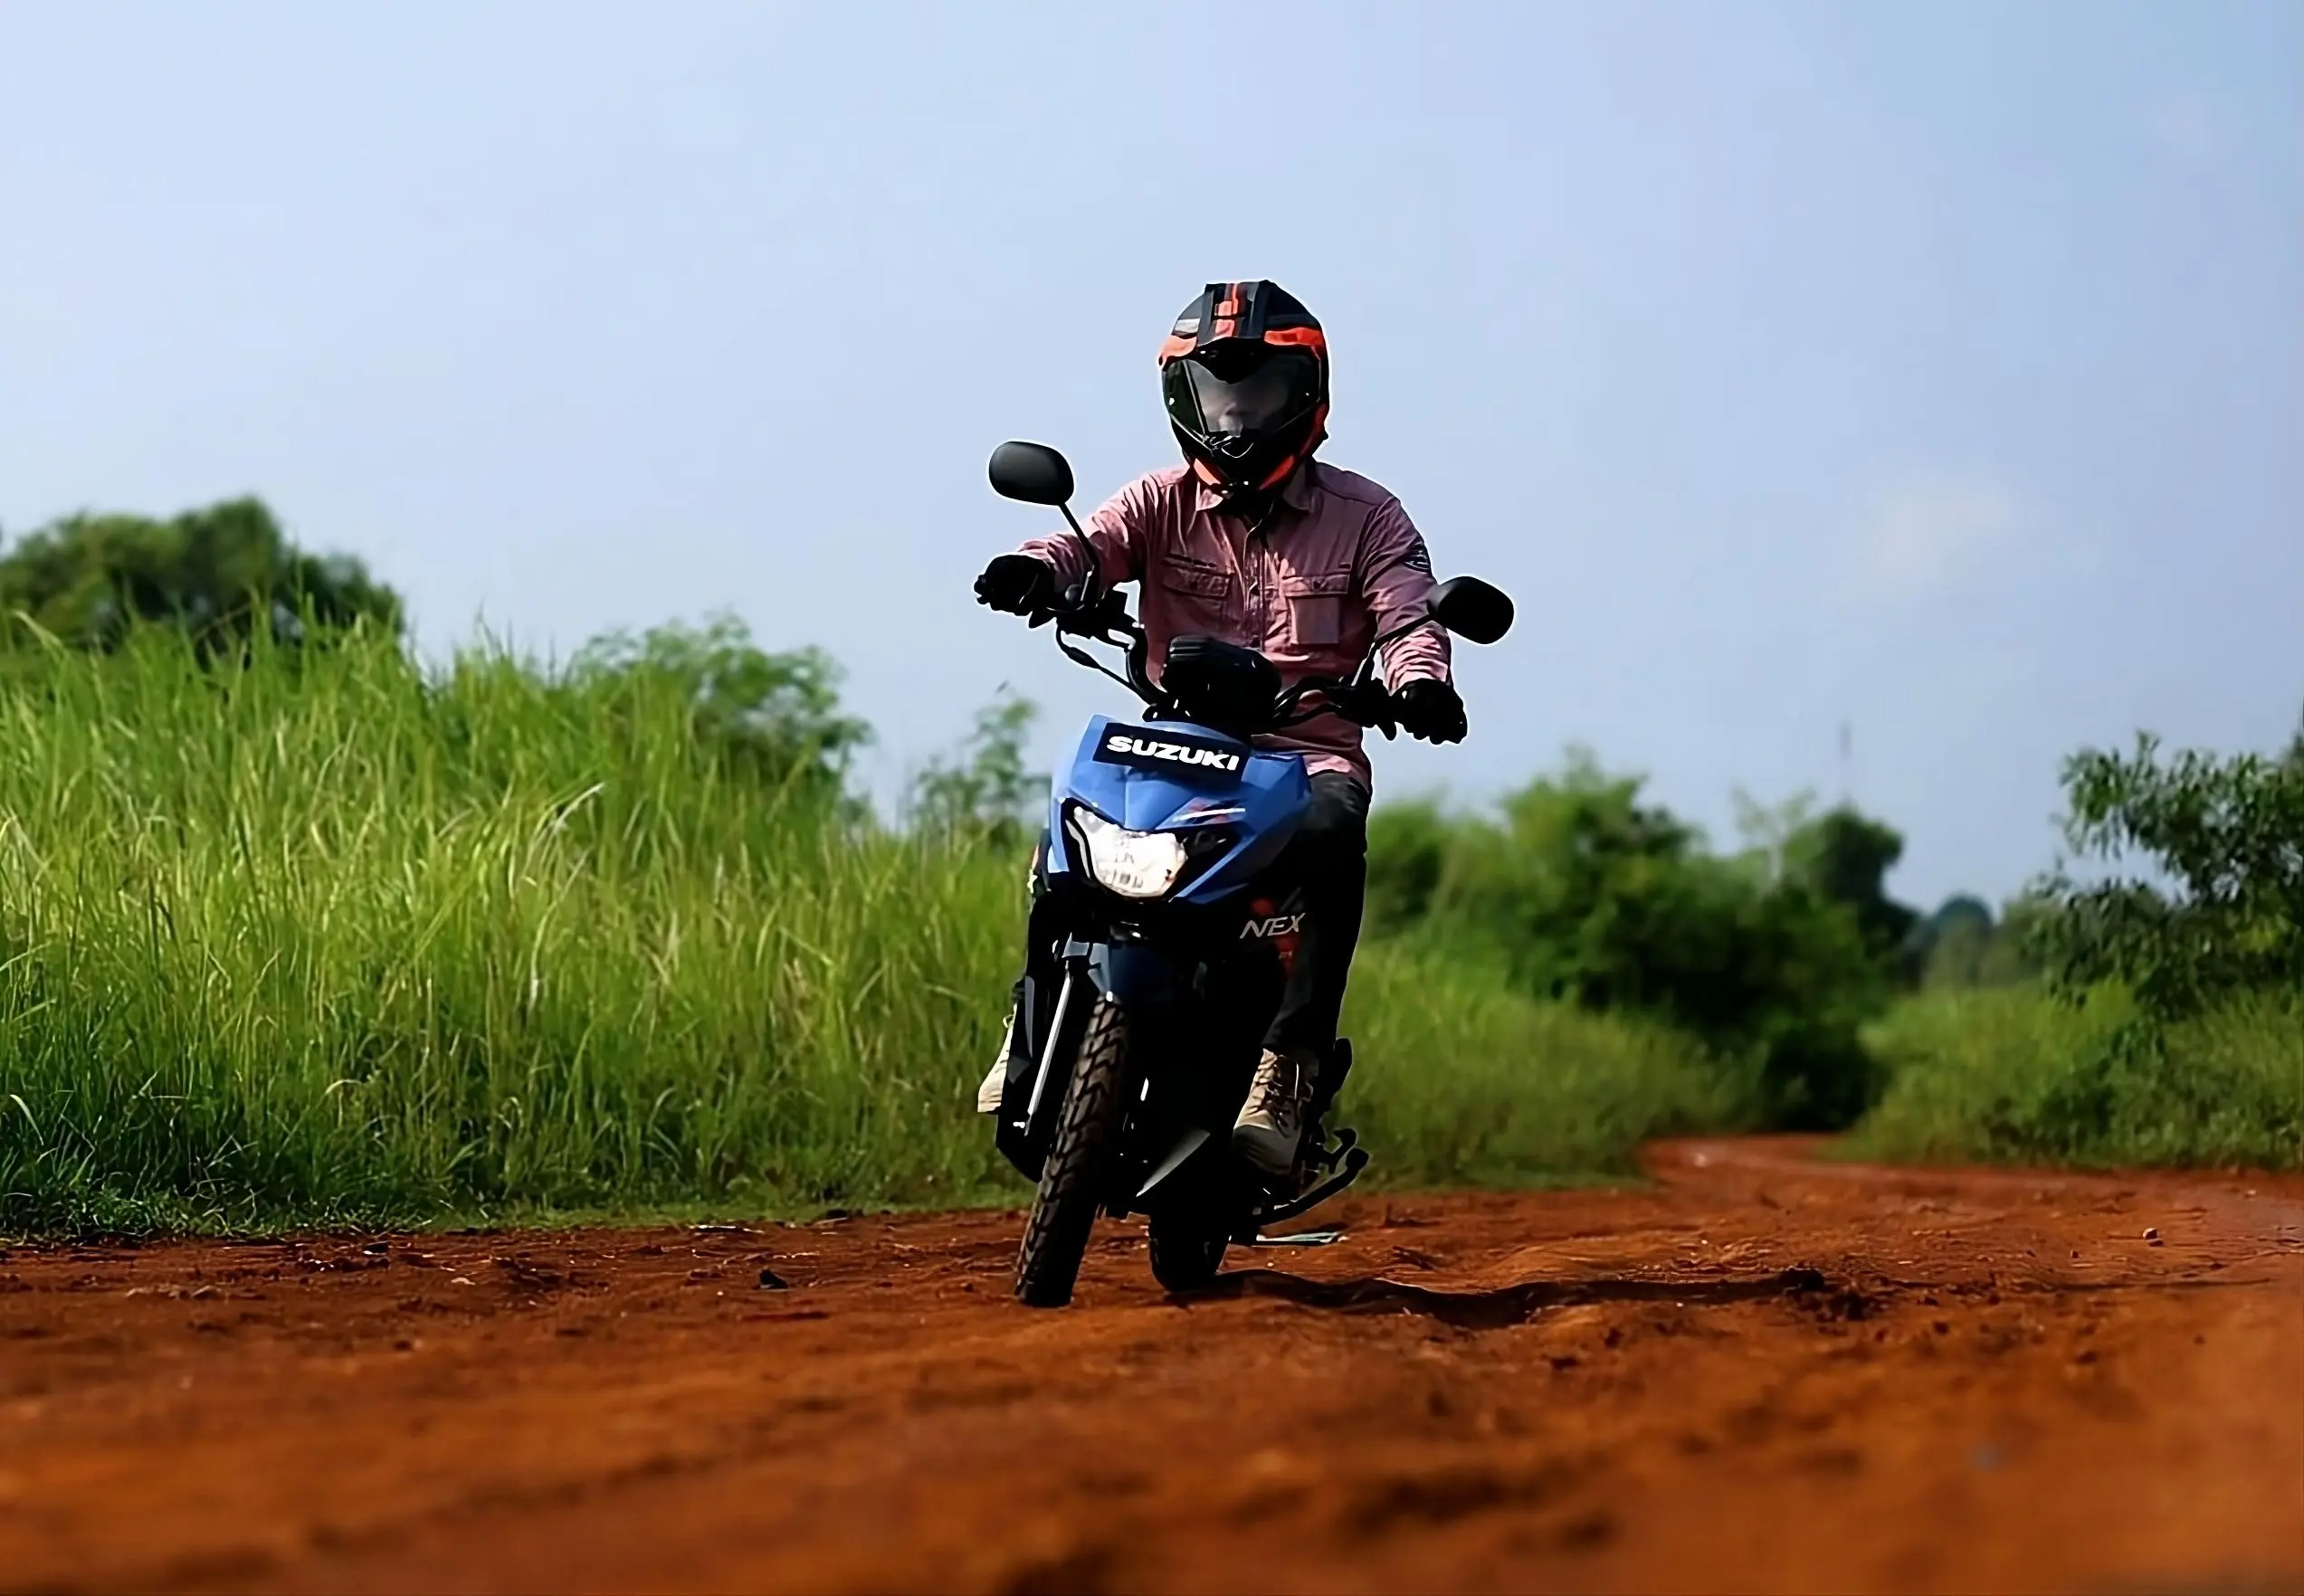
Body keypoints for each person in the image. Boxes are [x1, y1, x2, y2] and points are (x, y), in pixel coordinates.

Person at [971, 280, 1466, 1178]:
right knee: (1069, 822)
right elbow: (1089, 545)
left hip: (1304, 753)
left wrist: (1420, 682)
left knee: (1333, 840)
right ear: (1180, 396)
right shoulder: (1156, 499)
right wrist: (1034, 569)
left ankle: (1288, 1064)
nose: (1236, 417)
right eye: (1216, 394)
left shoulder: (1368, 516)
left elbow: (1407, 615)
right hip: (1177, 744)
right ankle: (1032, 1017)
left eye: (1258, 393)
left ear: (1308, 394)